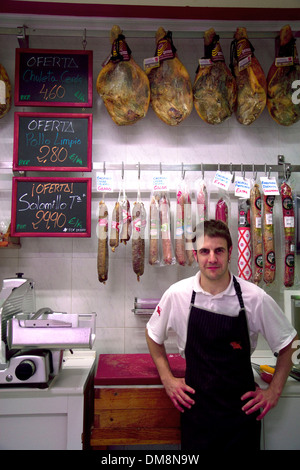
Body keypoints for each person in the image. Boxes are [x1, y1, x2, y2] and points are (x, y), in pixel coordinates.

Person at [145, 219, 298, 451]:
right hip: (196, 415)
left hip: (241, 418)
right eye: (204, 251)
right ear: (195, 255)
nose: (212, 259)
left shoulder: (254, 297)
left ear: (230, 253)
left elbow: (290, 344)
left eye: (219, 251)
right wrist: (167, 379)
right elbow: (153, 335)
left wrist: (274, 391)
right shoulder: (177, 294)